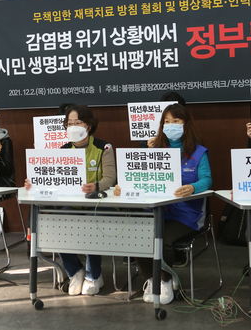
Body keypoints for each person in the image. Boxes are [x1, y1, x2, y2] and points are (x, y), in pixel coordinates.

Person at [116, 103, 212, 305]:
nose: (171, 125)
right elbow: (137, 177)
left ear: (186, 124)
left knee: (162, 239)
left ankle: (166, 281)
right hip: (157, 211)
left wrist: (193, 187)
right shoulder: (154, 149)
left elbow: (207, 179)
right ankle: (152, 280)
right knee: (138, 237)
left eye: (176, 121)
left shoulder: (198, 151)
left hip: (187, 215)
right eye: (166, 122)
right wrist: (123, 186)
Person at [25, 105, 116, 296]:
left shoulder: (104, 147)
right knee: (57, 222)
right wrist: (35, 183)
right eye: (69, 123)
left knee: (92, 224)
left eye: (78, 122)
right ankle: (74, 271)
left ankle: (94, 274)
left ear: (88, 125)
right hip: (71, 204)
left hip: (96, 203)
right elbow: (53, 180)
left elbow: (110, 178)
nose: (73, 126)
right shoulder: (63, 150)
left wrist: (96, 186)